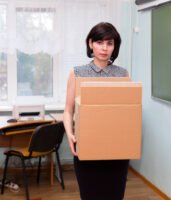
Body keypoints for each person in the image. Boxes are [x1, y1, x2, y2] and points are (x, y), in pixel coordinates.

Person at [63, 22, 129, 200]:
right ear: (91, 43)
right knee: (90, 195)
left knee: (114, 195)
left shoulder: (122, 74)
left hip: (116, 149)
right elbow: (68, 111)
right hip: (87, 147)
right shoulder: (77, 73)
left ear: (115, 47)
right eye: (100, 42)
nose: (104, 48)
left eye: (110, 43)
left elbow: (127, 113)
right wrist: (69, 134)